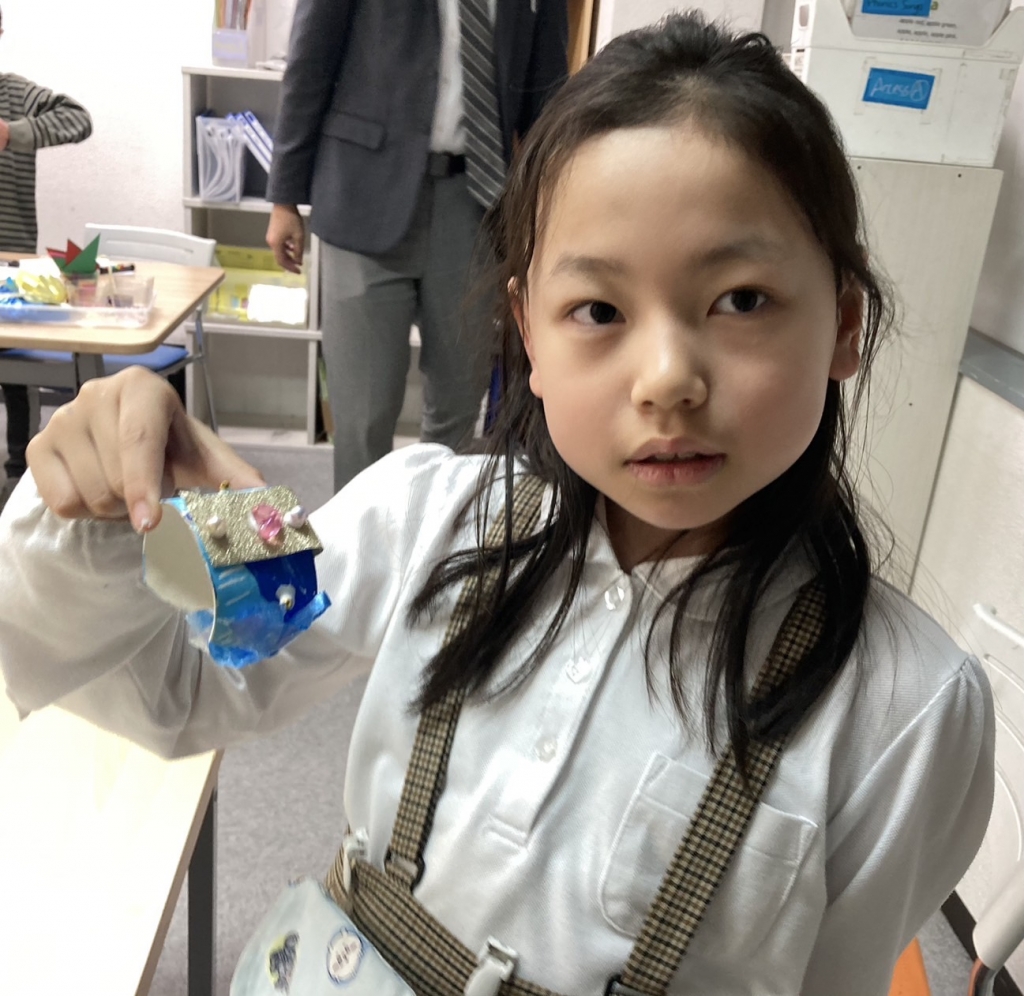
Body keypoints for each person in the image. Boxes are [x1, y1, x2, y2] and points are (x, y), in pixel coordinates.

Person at [0, 14, 994, 995]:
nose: (666, 379)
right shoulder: (424, 514)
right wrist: (107, 511)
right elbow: (185, 686)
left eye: (740, 299)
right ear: (528, 333)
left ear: (844, 324)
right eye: (598, 310)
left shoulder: (908, 708)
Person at [265, 0, 569, 492]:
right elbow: (309, 63)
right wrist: (285, 198)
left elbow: (547, 95)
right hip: (362, 194)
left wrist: (552, 207)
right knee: (363, 413)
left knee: (458, 406)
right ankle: (362, 534)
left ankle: (435, 527)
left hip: (476, 202)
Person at [0, 3, 93, 511]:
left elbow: (78, 119)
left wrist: (13, 133)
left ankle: (20, 471)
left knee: (14, 373)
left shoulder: (15, 93)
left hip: (10, 262)